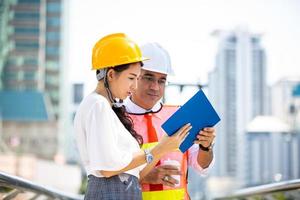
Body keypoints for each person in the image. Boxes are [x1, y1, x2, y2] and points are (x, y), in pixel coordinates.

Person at [73, 33, 192, 200]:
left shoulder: (102, 106)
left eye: (137, 78)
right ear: (111, 74)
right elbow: (108, 167)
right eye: (131, 78)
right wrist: (159, 149)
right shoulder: (98, 105)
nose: (134, 86)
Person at [124, 42, 216, 200]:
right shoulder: (117, 118)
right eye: (148, 78)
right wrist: (143, 176)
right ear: (134, 76)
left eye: (161, 80)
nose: (155, 87)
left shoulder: (178, 115)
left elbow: (202, 165)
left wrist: (206, 147)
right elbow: (107, 174)